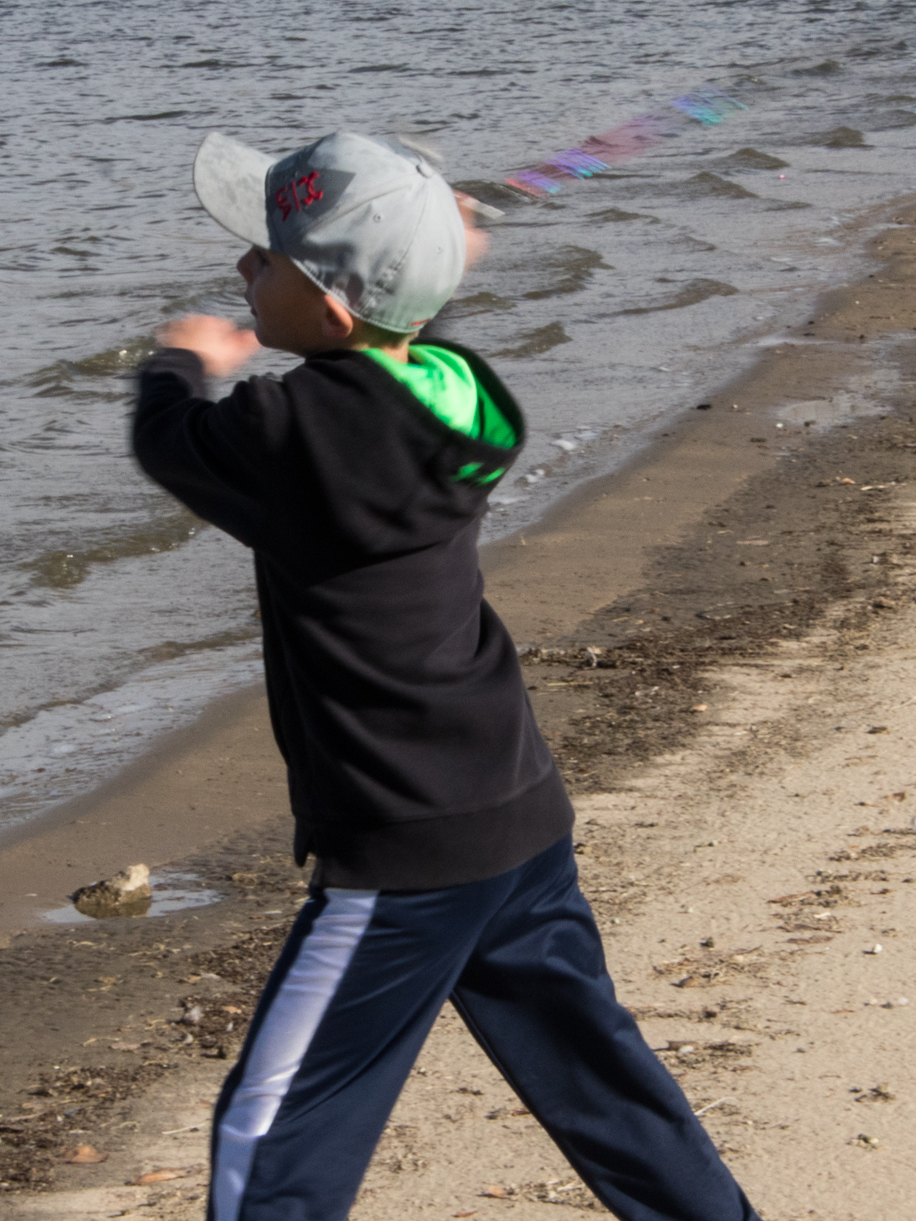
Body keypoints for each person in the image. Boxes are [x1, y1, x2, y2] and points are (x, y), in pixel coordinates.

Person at [130, 131, 761, 1221]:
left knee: (270, 1125)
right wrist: (418, 272)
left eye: (266, 259)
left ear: (334, 312)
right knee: (598, 1075)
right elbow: (391, 359)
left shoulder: (290, 432)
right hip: (513, 809)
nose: (242, 269)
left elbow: (171, 442)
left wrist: (179, 363)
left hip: (403, 844)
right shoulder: (459, 389)